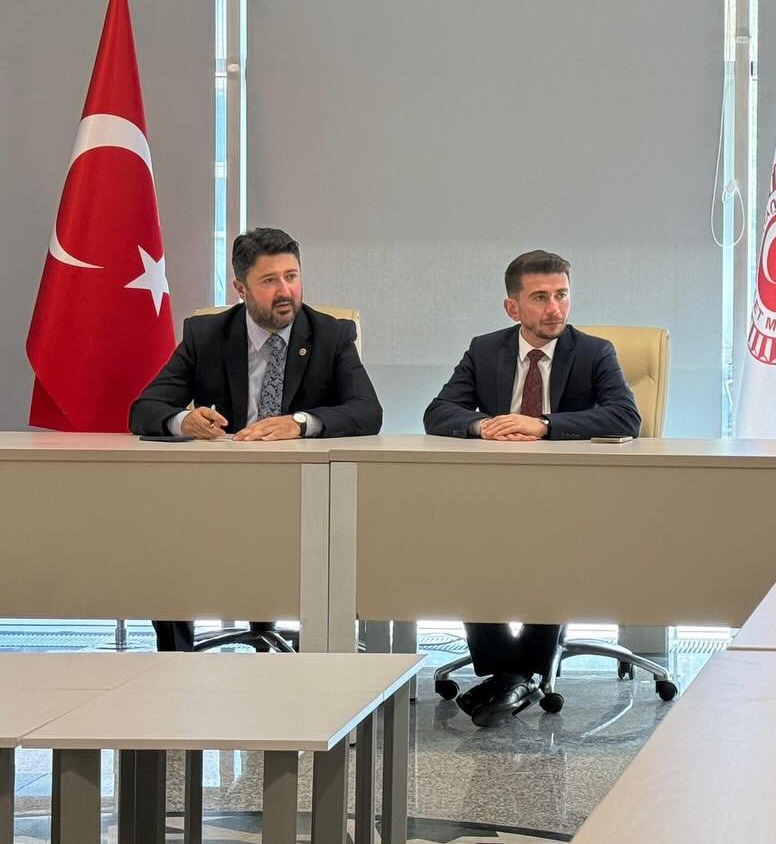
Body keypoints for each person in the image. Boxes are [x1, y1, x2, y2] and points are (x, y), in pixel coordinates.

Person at [129, 226, 383, 652]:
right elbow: (145, 409)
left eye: (292, 276)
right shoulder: (206, 334)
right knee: (164, 535)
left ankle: (330, 658)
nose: (285, 291)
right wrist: (183, 421)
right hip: (221, 490)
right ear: (240, 288)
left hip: (304, 494)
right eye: (269, 280)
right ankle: (175, 659)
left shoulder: (331, 334)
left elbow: (367, 411)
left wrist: (300, 423)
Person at [424, 249, 641, 723]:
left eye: (562, 295)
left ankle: (514, 677)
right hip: (494, 495)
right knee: (465, 544)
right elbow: (438, 412)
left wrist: (544, 425)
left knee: (553, 544)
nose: (555, 308)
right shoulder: (485, 350)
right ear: (513, 308)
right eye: (540, 297)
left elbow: (626, 417)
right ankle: (513, 674)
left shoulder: (594, 352)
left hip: (570, 498)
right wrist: (482, 426)